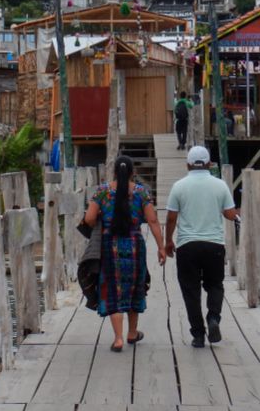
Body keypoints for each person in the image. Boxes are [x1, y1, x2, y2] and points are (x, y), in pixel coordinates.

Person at [83, 155, 166, 352]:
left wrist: (101, 219)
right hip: (135, 245)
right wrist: (161, 247)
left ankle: (118, 339)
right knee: (134, 286)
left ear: (114, 172)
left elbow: (89, 218)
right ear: (132, 173)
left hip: (109, 246)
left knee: (113, 288)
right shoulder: (141, 192)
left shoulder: (102, 192)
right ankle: (132, 332)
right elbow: (153, 221)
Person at [164, 145, 238, 348]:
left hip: (187, 245)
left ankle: (198, 335)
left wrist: (168, 241)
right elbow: (230, 214)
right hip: (214, 245)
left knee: (190, 290)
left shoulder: (179, 186)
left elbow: (171, 218)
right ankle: (213, 317)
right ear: (209, 164)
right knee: (215, 285)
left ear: (188, 165)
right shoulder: (220, 185)